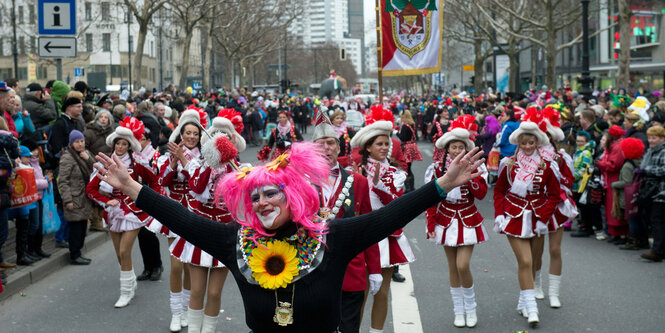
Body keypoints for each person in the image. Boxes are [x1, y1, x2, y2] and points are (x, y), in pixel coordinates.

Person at [94, 138, 484, 332]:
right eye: (255, 196)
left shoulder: (332, 238)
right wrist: (131, 188)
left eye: (271, 193)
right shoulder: (236, 243)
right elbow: (182, 220)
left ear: (291, 196)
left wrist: (444, 184)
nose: (262, 201)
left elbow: (389, 217)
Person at [311, 109, 381, 333]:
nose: (327, 148)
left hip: (351, 271)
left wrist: (376, 269)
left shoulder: (357, 181)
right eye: (321, 143)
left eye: (331, 143)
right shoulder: (300, 182)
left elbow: (368, 228)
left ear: (339, 147)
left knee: (348, 329)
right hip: (311, 272)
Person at [349, 110, 414, 333]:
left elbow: (395, 204)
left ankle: (376, 331)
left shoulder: (395, 172)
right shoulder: (355, 171)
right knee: (361, 291)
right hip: (361, 234)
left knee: (382, 291)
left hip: (385, 235)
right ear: (368, 147)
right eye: (379, 144)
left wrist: (378, 184)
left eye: (387, 143)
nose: (385, 147)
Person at [493, 118, 561, 327]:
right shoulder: (508, 164)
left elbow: (554, 195)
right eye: (524, 143)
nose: (528, 146)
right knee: (525, 261)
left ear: (537, 143)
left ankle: (524, 299)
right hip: (514, 217)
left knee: (534, 262)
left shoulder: (548, 166)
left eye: (531, 143)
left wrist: (544, 218)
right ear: (518, 143)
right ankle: (532, 308)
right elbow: (499, 192)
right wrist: (499, 214)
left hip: (538, 219)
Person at [86, 117, 159, 308]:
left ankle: (125, 292)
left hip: (134, 212)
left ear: (129, 146)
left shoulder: (137, 163)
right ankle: (130, 281)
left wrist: (147, 198)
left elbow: (154, 180)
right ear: (113, 143)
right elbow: (91, 189)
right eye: (118, 143)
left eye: (124, 144)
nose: (120, 146)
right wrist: (106, 201)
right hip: (113, 213)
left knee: (126, 251)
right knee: (120, 255)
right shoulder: (106, 162)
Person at [425, 114, 487, 328]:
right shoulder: (436, 169)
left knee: (463, 265)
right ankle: (458, 311)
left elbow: (481, 194)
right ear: (447, 148)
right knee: (453, 267)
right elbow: (431, 200)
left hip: (468, 218)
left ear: (466, 148)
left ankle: (471, 307)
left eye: (461, 147)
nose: (457, 150)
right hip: (446, 219)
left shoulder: (476, 167)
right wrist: (430, 224)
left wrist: (469, 176)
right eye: (453, 147)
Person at [155, 109, 209, 331]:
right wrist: (175, 161)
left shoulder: (205, 157)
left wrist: (184, 160)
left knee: (190, 266)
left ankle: (186, 308)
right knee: (176, 266)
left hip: (195, 215)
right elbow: (164, 181)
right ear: (181, 133)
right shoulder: (168, 155)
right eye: (187, 132)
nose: (191, 137)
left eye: (195, 133)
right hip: (175, 212)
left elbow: (200, 185)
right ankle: (175, 312)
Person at [532, 107, 576, 309]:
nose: (545, 138)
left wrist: (557, 179)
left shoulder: (561, 156)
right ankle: (536, 284)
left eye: (548, 135)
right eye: (542, 135)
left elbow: (569, 180)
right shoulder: (527, 156)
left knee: (555, 249)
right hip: (537, 207)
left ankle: (554, 292)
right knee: (536, 251)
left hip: (556, 207)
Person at [58, 130, 95, 265]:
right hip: (74, 198)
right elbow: (63, 181)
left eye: (82, 141)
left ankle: (78, 252)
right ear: (71, 143)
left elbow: (96, 167)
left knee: (82, 228)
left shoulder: (86, 154)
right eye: (77, 142)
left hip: (84, 197)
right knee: (76, 229)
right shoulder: (67, 157)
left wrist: (88, 158)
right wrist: (67, 200)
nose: (80, 144)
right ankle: (74, 254)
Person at [134, 128, 163, 282]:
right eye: (137, 139)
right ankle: (147, 267)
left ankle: (157, 265)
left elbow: (157, 175)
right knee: (141, 234)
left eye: (142, 139)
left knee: (149, 233)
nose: (139, 142)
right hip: (136, 197)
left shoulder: (155, 155)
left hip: (152, 196)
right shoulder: (132, 156)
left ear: (148, 140)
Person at [612, 138, 647, 250]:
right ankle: (643, 241)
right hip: (638, 195)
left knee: (632, 219)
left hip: (628, 197)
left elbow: (627, 182)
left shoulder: (627, 165)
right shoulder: (639, 161)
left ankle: (633, 241)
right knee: (639, 219)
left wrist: (614, 184)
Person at [84, 110, 116, 232]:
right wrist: (93, 160)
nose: (103, 119)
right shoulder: (89, 132)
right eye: (101, 117)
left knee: (105, 190)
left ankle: (103, 218)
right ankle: (95, 220)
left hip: (107, 165)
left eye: (106, 117)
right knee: (94, 189)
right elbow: (85, 148)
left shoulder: (112, 132)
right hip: (94, 163)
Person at [597, 125, 628, 243]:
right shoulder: (615, 146)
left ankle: (620, 233)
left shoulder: (617, 147)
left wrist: (600, 164)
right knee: (611, 206)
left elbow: (614, 165)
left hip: (614, 179)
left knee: (614, 205)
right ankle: (615, 233)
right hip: (610, 179)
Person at [639, 126, 665, 262]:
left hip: (661, 191)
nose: (651, 140)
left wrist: (647, 170)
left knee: (657, 220)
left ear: (662, 138)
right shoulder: (650, 151)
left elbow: (663, 170)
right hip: (652, 190)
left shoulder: (663, 151)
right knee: (655, 220)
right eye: (649, 137)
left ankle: (657, 251)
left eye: (654, 138)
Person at [570, 131, 598, 237]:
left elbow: (583, 169)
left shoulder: (586, 153)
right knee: (581, 206)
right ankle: (584, 226)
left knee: (583, 206)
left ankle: (586, 227)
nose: (579, 143)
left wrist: (572, 178)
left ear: (587, 142)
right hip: (577, 184)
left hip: (582, 184)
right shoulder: (578, 151)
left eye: (582, 141)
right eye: (577, 141)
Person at [398, 110, 423, 193]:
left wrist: (397, 133)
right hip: (412, 146)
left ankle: (409, 188)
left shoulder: (405, 126)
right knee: (408, 167)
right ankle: (411, 187)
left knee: (406, 168)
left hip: (406, 147)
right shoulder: (412, 124)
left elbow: (403, 137)